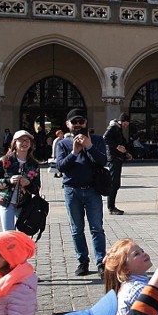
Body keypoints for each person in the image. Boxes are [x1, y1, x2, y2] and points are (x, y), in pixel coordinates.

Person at [55, 108, 108, 277]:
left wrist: (89, 146)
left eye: (81, 122)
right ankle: (82, 262)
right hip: (72, 191)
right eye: (74, 122)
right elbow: (60, 167)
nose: (78, 125)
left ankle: (101, 262)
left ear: (86, 123)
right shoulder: (63, 143)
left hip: (92, 190)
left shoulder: (98, 140)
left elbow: (103, 161)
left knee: (97, 228)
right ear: (68, 124)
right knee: (77, 229)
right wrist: (74, 152)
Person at [0, 130, 42, 232]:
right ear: (14, 143)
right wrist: (9, 181)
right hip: (6, 202)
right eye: (21, 140)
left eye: (27, 141)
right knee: (9, 234)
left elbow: (37, 187)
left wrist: (28, 183)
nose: (24, 143)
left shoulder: (34, 164)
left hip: (24, 204)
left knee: (22, 234)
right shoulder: (5, 160)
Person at [103, 113, 133, 216]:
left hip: (117, 157)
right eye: (126, 123)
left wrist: (126, 153)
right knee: (114, 183)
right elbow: (105, 137)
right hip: (113, 158)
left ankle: (112, 206)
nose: (126, 126)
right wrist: (117, 147)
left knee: (116, 184)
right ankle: (111, 207)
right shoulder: (113, 127)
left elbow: (121, 143)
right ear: (123, 121)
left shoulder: (118, 128)